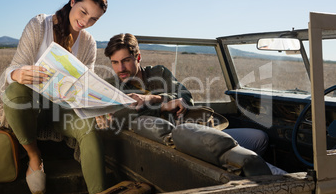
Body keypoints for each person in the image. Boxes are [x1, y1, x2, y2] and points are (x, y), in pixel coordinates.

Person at [0, 0, 108, 194]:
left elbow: (85, 87)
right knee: (14, 92)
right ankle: (33, 156)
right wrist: (17, 74)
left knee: (90, 126)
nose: (85, 22)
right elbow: (13, 68)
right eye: (83, 12)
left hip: (62, 112)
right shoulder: (39, 25)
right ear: (72, 1)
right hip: (31, 110)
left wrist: (101, 104)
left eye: (93, 19)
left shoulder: (89, 44)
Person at [98, 33, 269, 157]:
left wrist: (154, 98)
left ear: (138, 57)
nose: (120, 68)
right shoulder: (111, 87)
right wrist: (163, 105)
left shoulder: (159, 72)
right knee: (258, 142)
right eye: (115, 62)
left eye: (126, 60)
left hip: (198, 128)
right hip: (182, 142)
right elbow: (121, 115)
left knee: (260, 136)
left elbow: (186, 97)